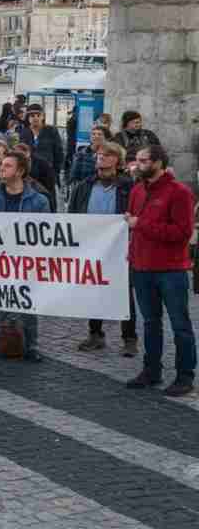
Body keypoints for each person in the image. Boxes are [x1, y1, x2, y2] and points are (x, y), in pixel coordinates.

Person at [125, 145, 196, 397]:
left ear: (158, 163)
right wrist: (132, 256)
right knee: (150, 323)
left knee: (180, 324)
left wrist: (141, 224)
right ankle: (151, 370)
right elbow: (134, 231)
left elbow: (182, 233)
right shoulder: (136, 191)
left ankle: (185, 375)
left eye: (143, 161)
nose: (137, 165)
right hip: (142, 268)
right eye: (136, 161)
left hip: (171, 270)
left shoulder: (179, 192)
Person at [0, 150, 51, 362]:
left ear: (21, 171)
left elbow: (45, 233)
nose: (2, 168)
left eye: (7, 165)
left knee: (27, 302)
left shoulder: (39, 201)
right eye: (2, 165)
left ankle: (31, 344)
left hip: (25, 259)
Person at [71, 142, 137, 355]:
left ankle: (129, 338)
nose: (102, 158)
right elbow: (72, 215)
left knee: (124, 294)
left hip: (120, 249)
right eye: (99, 154)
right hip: (91, 248)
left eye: (108, 155)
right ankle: (95, 334)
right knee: (94, 290)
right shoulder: (84, 186)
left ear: (117, 161)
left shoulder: (128, 187)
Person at [26, 104, 64, 185]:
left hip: (48, 174)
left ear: (43, 117)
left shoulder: (51, 131)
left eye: (38, 115)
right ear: (28, 118)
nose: (35, 118)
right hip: (29, 175)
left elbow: (59, 152)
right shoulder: (24, 132)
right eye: (32, 115)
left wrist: (55, 172)